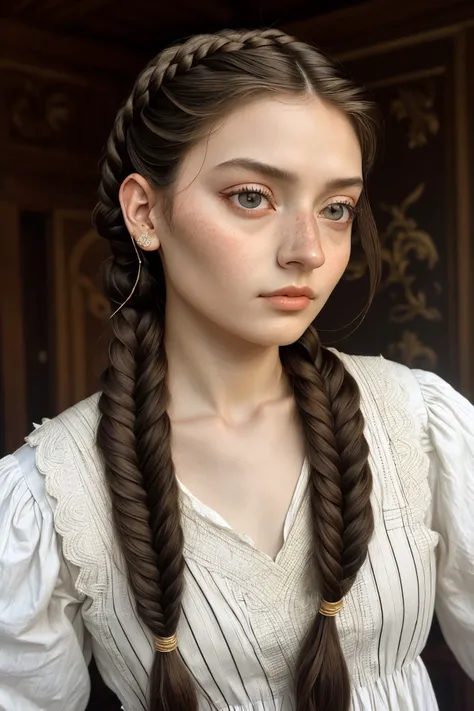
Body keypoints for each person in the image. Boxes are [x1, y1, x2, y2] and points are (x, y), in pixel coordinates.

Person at [0, 27, 472, 711]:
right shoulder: (51, 496)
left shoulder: (417, 422)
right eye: (252, 196)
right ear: (145, 212)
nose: (307, 250)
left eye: (336, 208)